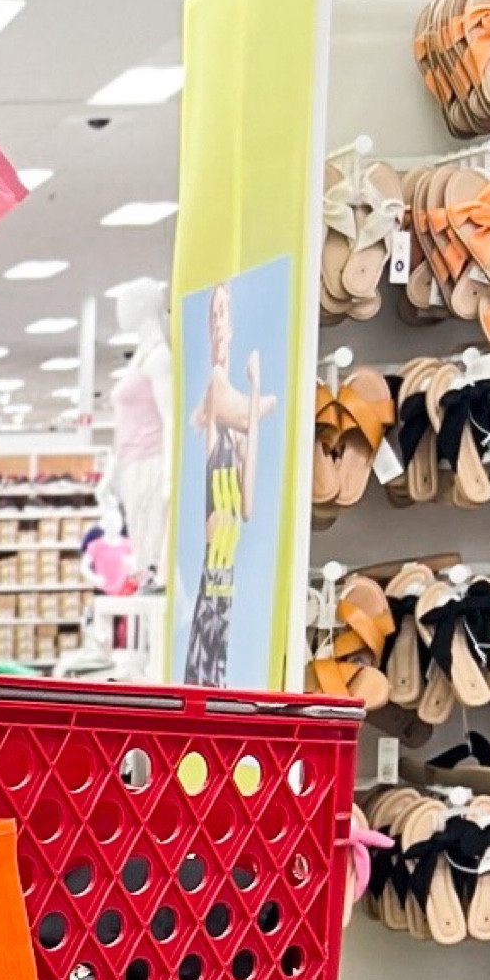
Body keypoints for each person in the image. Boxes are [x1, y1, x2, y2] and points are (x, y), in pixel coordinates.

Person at [182, 282, 275, 685]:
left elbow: (248, 505)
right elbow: (243, 415)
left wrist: (255, 392)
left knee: (214, 672)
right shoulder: (216, 387)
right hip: (214, 567)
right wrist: (257, 396)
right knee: (206, 671)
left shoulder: (233, 418)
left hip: (225, 572)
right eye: (214, 315)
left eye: (225, 315)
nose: (220, 325)